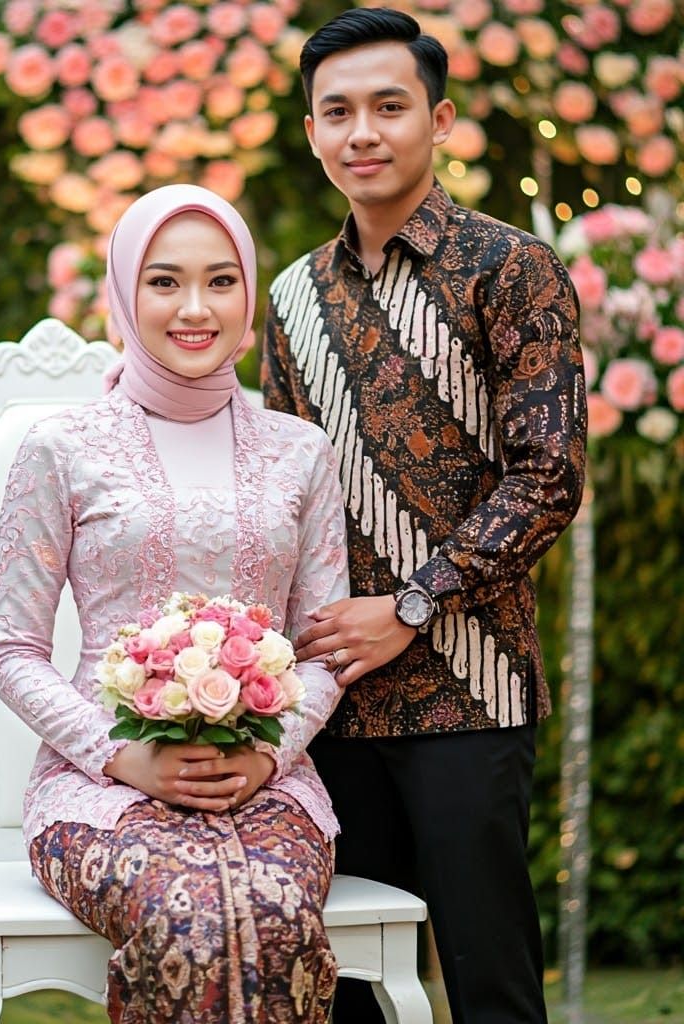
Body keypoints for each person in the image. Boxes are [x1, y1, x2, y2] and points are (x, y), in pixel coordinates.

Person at [261, 9, 587, 1024]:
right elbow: (272, 486)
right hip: (331, 698)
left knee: (486, 980)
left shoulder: (510, 269)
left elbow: (548, 476)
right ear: (311, 133)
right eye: (337, 112)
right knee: (344, 987)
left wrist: (408, 601)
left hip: (470, 691)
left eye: (388, 106)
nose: (363, 132)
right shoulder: (288, 297)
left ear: (438, 119)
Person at [0, 184, 351, 1023]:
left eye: (221, 281)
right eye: (164, 281)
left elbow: (323, 647)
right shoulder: (62, 447)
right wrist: (126, 756)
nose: (196, 308)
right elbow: (12, 650)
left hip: (272, 785)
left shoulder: (301, 451)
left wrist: (268, 755)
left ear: (248, 296)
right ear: (123, 294)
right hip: (98, 790)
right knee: (181, 913)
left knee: (274, 911)